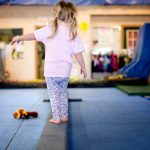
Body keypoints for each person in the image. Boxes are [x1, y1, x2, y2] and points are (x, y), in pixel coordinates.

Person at [10, 1, 87, 124]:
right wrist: (83, 67)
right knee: (62, 93)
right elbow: (78, 53)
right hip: (65, 70)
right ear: (70, 16)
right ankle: (64, 115)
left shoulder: (50, 30)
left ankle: (56, 117)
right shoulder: (72, 32)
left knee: (54, 95)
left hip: (51, 71)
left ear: (57, 15)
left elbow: (33, 35)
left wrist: (19, 37)